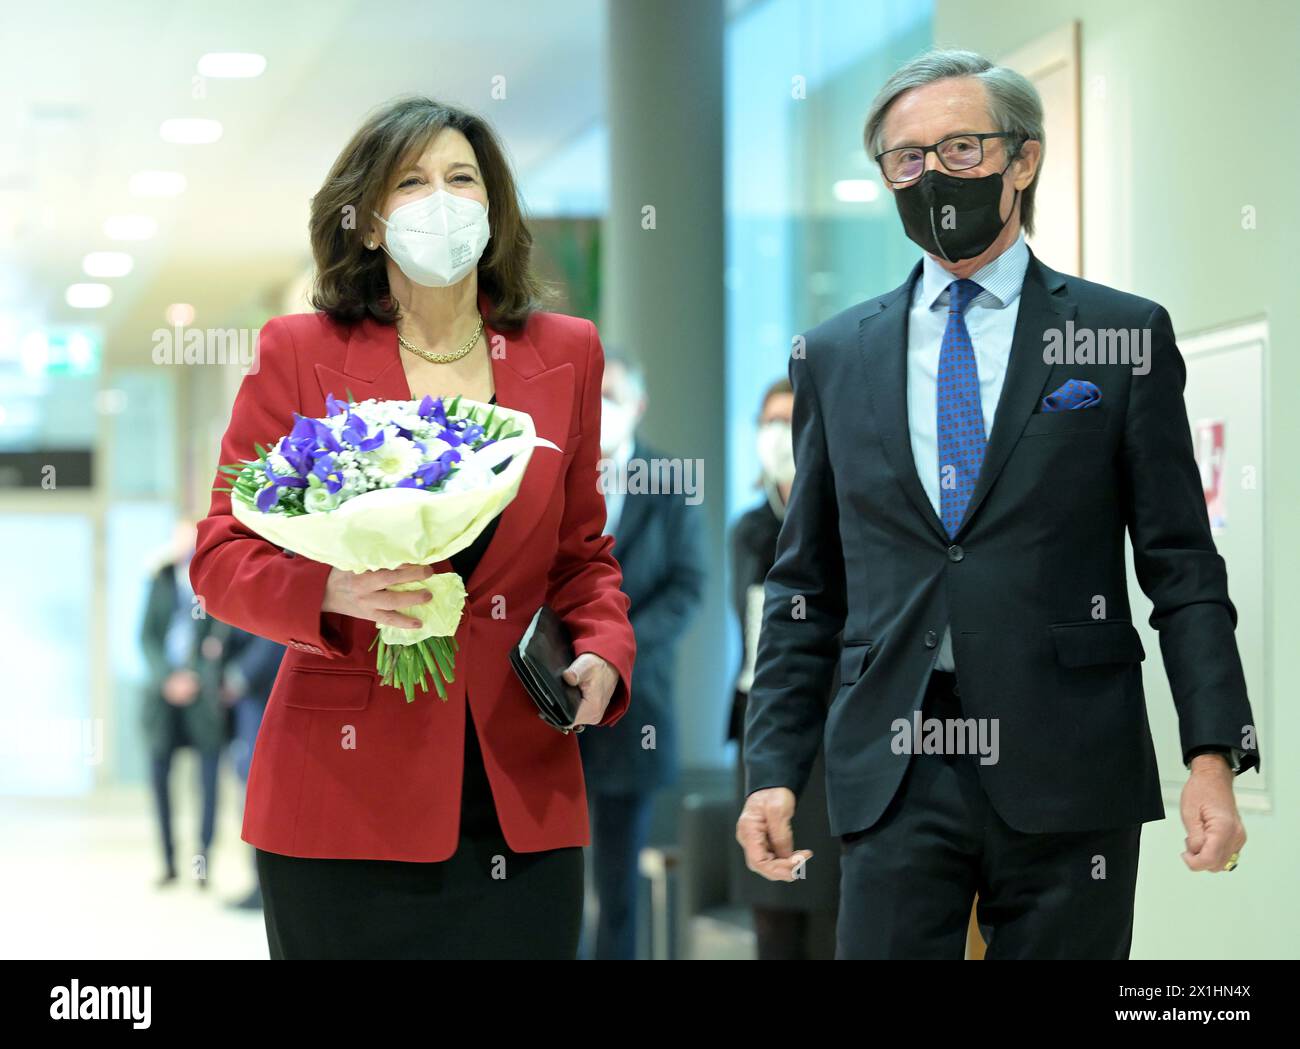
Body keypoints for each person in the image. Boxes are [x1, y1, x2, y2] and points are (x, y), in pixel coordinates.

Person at [737, 48, 1259, 960]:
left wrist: (1211, 754)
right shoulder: (834, 354)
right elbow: (805, 586)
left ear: (1024, 159)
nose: (933, 175)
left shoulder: (1119, 334)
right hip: (895, 766)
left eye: (961, 149)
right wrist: (771, 770)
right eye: (906, 158)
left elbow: (1181, 565)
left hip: (1070, 762)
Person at [189, 96, 635, 960]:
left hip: (518, 785)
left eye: (462, 179)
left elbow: (583, 556)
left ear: (493, 207)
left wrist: (606, 652)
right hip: (339, 795)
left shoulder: (566, 351)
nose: (441, 200)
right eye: (411, 182)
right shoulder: (299, 350)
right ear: (366, 222)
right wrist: (328, 589)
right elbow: (220, 552)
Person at [578, 348, 705, 959]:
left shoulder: (670, 481)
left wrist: (615, 651)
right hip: (554, 702)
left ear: (638, 406)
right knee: (548, 875)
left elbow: (687, 587)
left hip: (634, 708)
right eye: (594, 395)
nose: (602, 408)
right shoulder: (555, 475)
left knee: (619, 883)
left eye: (614, 397)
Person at [727, 378, 838, 959]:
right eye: (768, 422)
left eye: (789, 421)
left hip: (825, 735)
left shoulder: (839, 522)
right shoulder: (749, 530)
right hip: (758, 724)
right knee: (770, 914)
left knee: (827, 912)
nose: (778, 435)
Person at [139, 519, 228, 889]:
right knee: (160, 780)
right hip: (163, 699)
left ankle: (202, 864)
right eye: (180, 542)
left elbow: (218, 637)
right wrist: (166, 678)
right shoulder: (159, 582)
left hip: (201, 697)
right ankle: (169, 863)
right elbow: (147, 637)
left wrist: (195, 677)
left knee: (207, 783)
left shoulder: (213, 584)